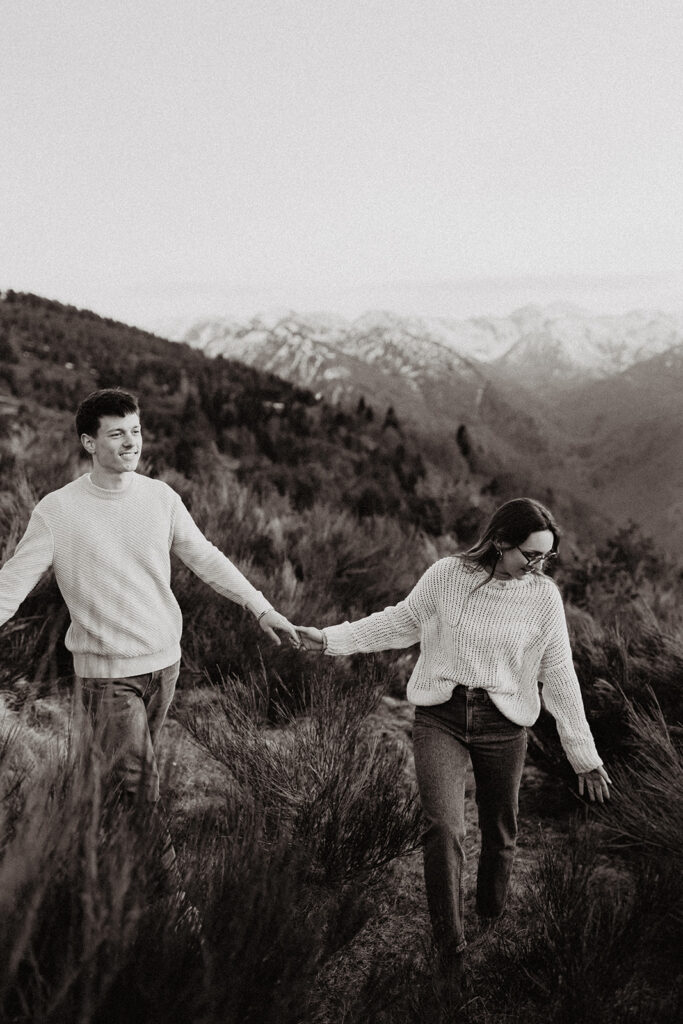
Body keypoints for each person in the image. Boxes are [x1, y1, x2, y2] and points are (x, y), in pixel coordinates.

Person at [296, 497, 610, 989]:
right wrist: (330, 640)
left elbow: (559, 676)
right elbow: (400, 622)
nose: (538, 567)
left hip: (505, 723)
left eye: (547, 558)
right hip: (441, 714)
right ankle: (451, 946)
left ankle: (490, 909)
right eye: (531, 555)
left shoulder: (543, 597)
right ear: (501, 541)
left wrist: (583, 756)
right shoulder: (447, 576)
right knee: (443, 828)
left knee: (500, 830)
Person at [0, 388, 299, 887]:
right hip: (105, 678)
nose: (130, 443)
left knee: (125, 787)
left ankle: (94, 869)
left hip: (165, 667)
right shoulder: (58, 511)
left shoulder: (160, 497)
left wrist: (260, 606)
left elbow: (205, 556)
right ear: (88, 443)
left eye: (135, 431)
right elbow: (12, 580)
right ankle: (172, 913)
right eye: (116, 434)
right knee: (140, 790)